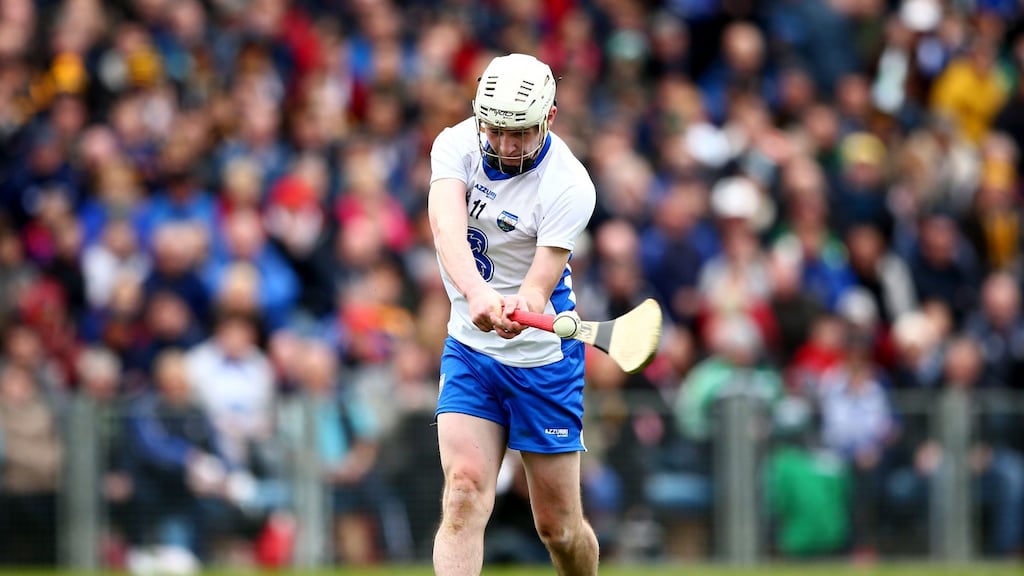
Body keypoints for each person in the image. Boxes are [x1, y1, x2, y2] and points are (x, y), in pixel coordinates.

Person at [427, 53, 599, 575]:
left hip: (541, 359)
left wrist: (514, 310)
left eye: (519, 133)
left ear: (548, 119)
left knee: (559, 528)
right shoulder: (455, 144)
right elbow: (446, 228)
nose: (504, 145)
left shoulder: (569, 185)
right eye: (496, 130)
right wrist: (478, 295)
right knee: (462, 493)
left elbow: (536, 290)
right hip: (470, 350)